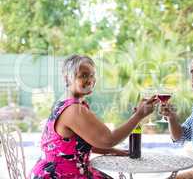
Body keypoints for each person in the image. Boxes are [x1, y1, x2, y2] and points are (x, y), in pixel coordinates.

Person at [29, 54, 157, 178]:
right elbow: (108, 139)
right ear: (67, 78)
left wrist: (113, 151)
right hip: (61, 174)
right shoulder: (74, 109)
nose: (90, 80)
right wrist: (139, 115)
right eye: (83, 75)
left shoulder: (67, 102)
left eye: (92, 75)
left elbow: (80, 143)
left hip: (57, 171)